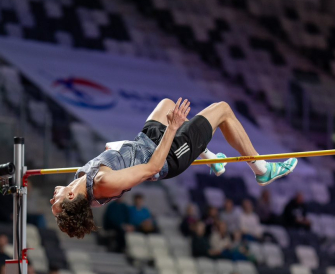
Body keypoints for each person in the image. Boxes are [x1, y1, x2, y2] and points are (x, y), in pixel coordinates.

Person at [50, 98, 297, 238]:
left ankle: (211, 157)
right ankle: (262, 171)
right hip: (166, 155)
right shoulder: (103, 183)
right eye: (56, 203)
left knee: (167, 104)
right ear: (71, 197)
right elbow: (152, 168)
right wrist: (173, 128)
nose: (53, 199)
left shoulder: (79, 181)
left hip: (144, 142)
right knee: (223, 110)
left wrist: (114, 152)